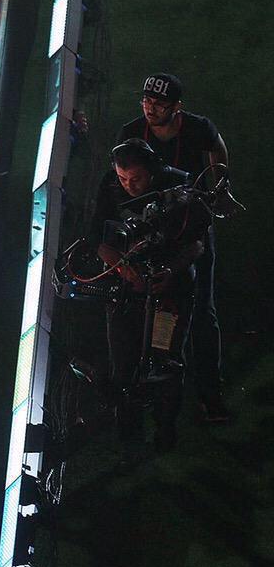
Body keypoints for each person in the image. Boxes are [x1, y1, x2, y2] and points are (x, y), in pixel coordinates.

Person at [116, 73, 229, 421]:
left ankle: (210, 393)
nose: (151, 109)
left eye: (160, 104)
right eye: (147, 102)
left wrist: (219, 185)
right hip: (152, 233)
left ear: (177, 107)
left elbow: (217, 147)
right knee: (146, 309)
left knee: (201, 312)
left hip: (190, 227)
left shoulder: (197, 128)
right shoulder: (132, 133)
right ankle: (143, 390)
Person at [89, 139, 209, 452]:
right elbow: (96, 238)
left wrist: (170, 271)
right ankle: (128, 434)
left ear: (152, 173)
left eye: (136, 179)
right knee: (123, 363)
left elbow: (197, 244)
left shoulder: (180, 189)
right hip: (125, 292)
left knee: (165, 360)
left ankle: (165, 430)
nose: (128, 186)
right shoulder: (110, 185)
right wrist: (123, 268)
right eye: (123, 179)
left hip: (169, 293)